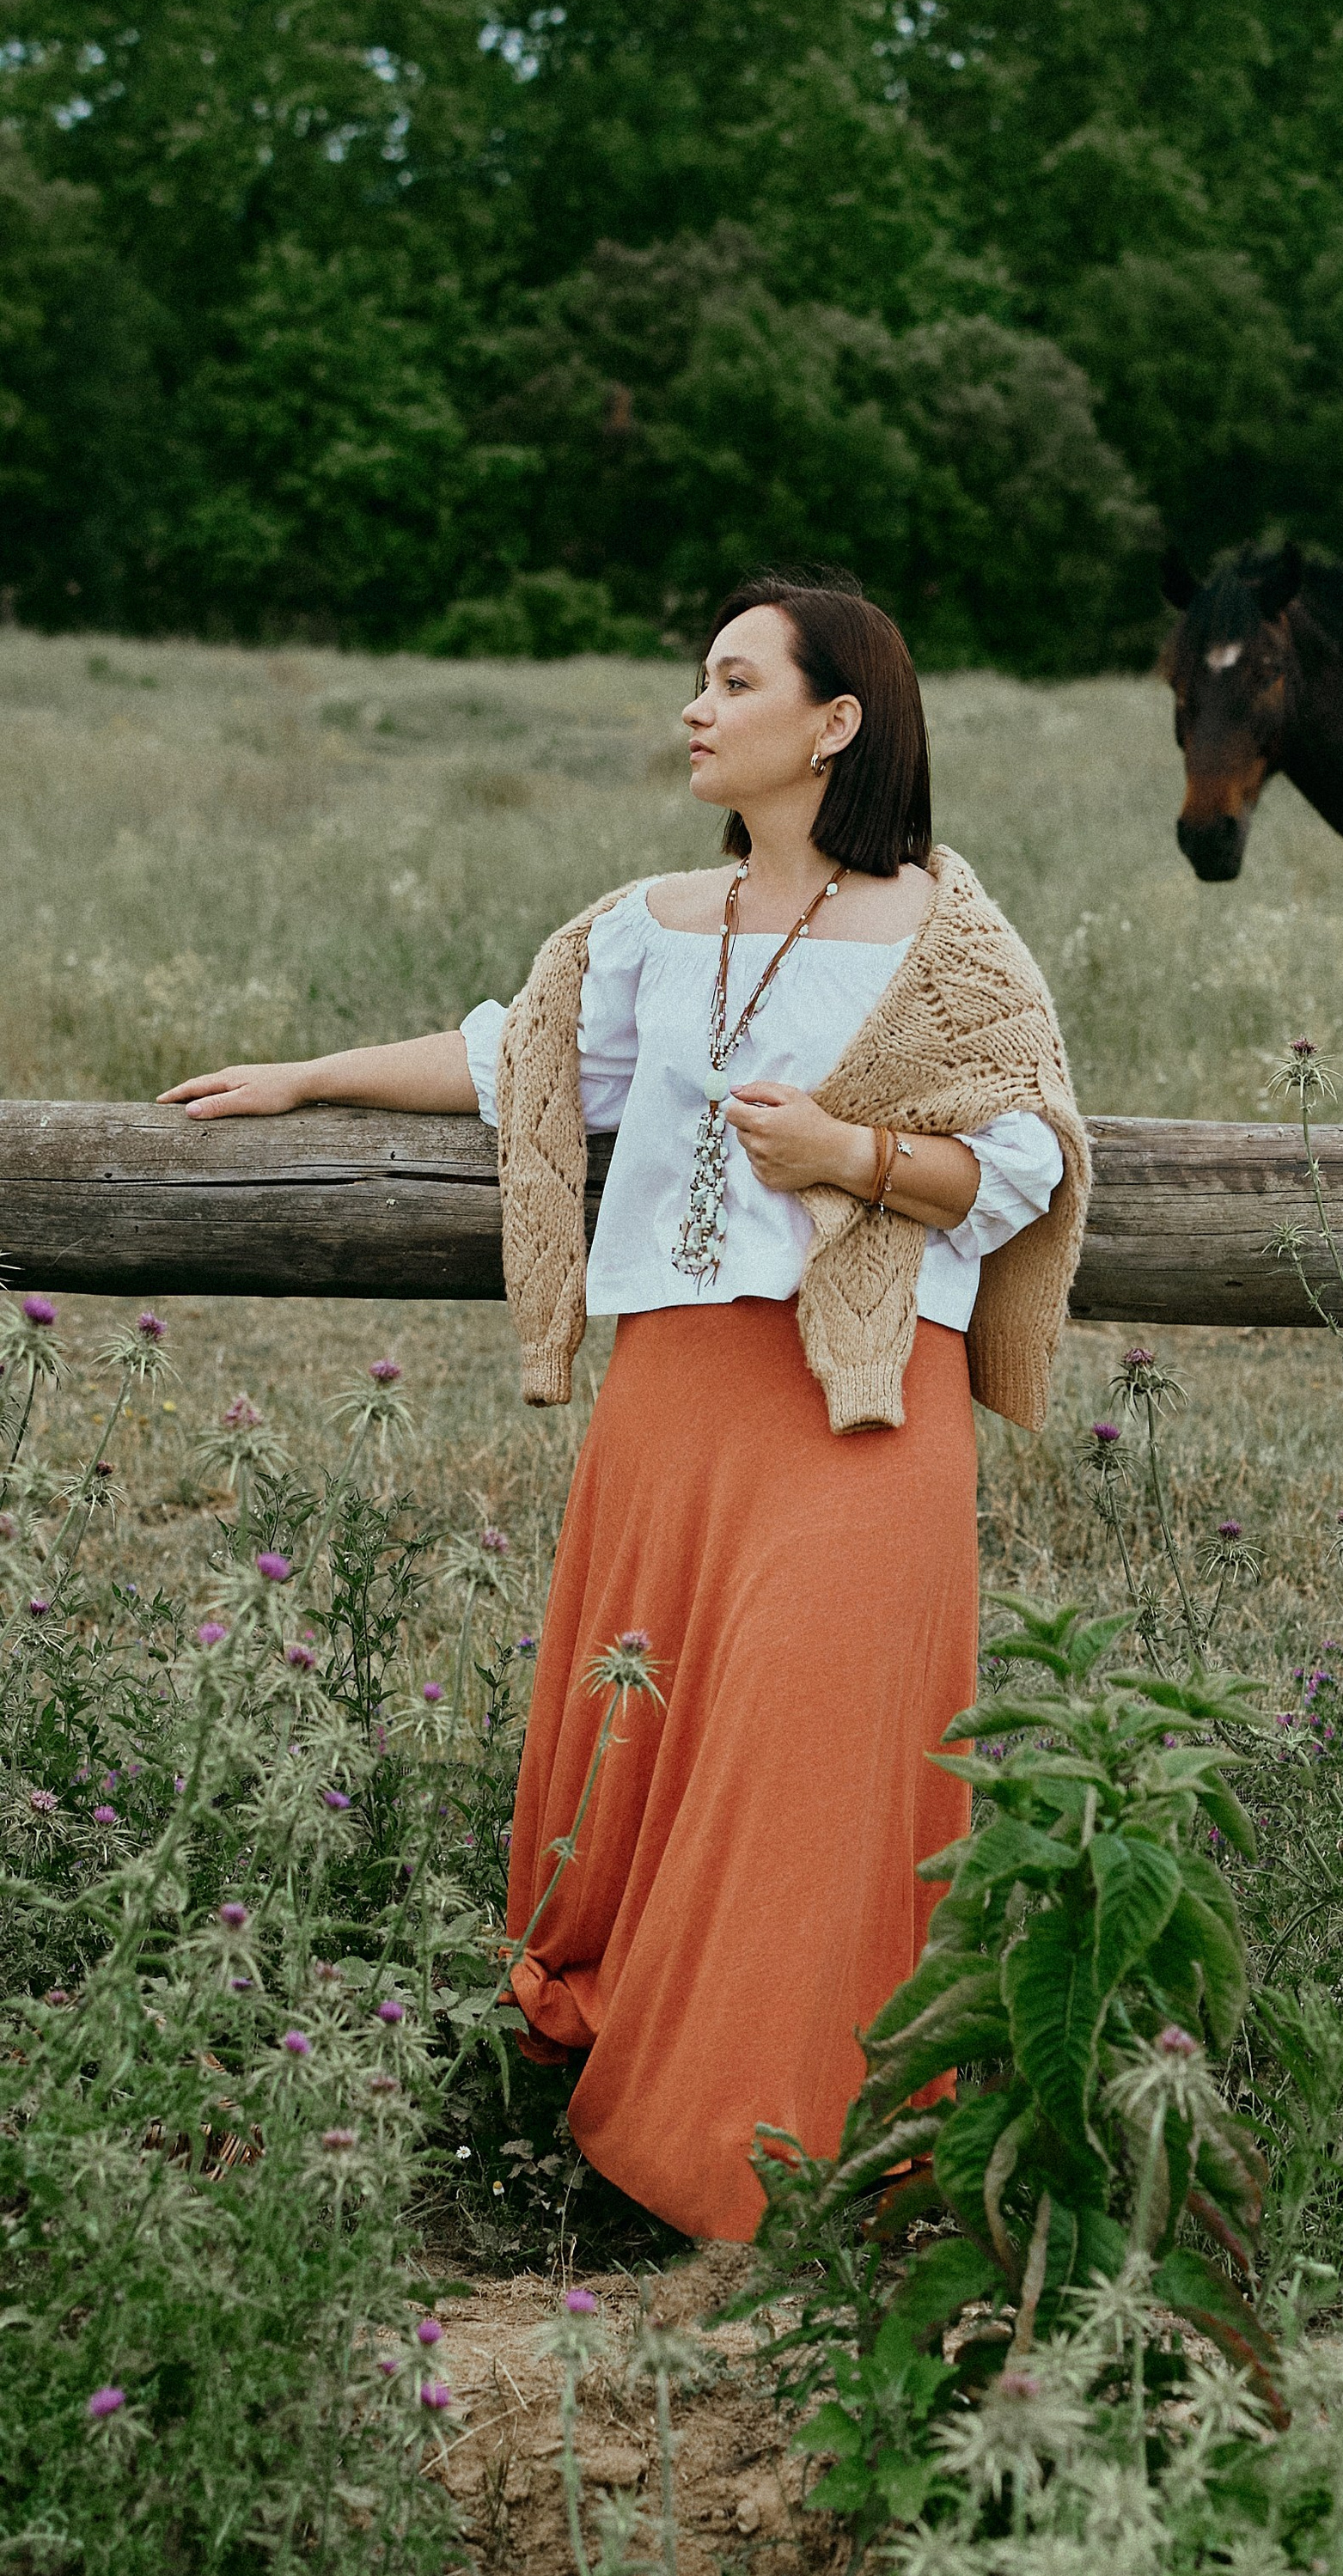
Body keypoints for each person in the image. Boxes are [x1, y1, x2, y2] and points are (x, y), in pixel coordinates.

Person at [162, 567, 1090, 2242]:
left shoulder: (953, 938)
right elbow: (517, 1057)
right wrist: (301, 1077)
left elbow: (1022, 1163)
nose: (696, 707)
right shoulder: (651, 923)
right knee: (648, 1746)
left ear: (834, 723)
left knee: (805, 1773)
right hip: (675, 1398)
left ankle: (771, 2174)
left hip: (859, 1405)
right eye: (698, 678)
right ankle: (632, 2138)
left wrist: (850, 1159)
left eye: (734, 682)